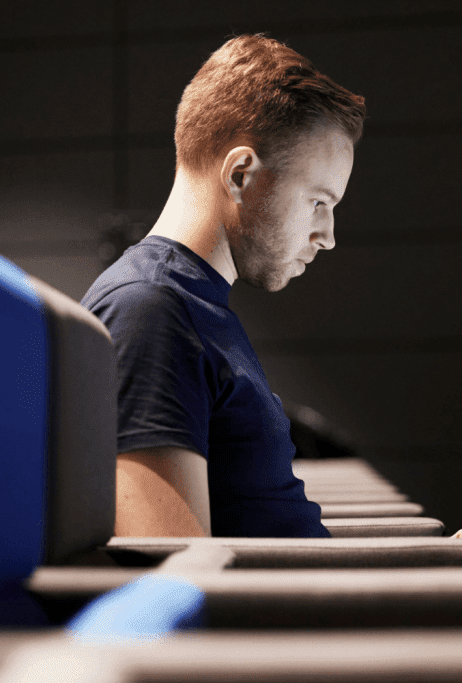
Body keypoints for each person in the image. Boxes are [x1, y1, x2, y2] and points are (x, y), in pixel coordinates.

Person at [81, 34, 364, 538]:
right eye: (319, 202)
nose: (328, 237)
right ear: (239, 175)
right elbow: (172, 582)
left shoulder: (195, 306)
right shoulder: (151, 311)